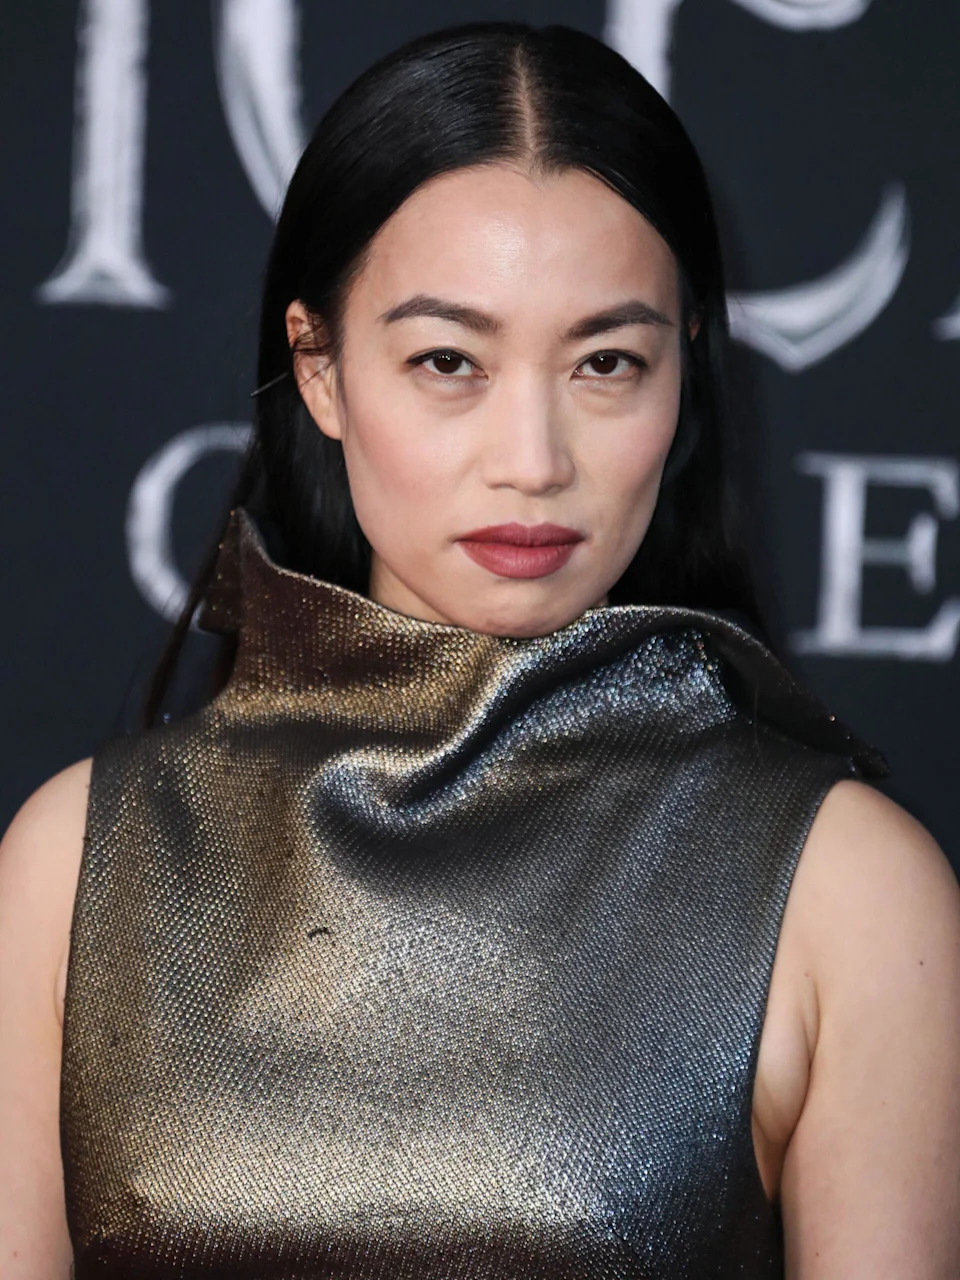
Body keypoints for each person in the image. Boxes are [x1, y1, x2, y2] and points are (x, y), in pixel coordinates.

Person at [2, 19, 959, 1279]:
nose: (532, 458)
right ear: (321, 369)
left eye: (606, 361)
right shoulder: (77, 862)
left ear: (684, 377)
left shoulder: (850, 892)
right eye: (448, 359)